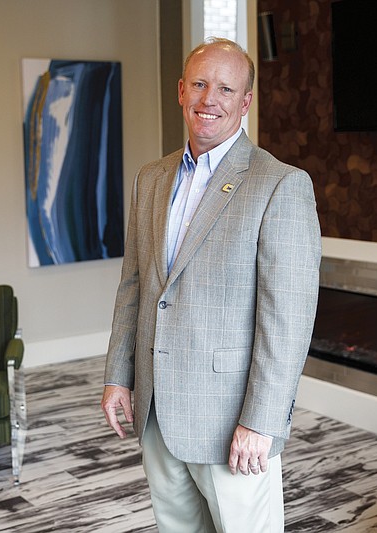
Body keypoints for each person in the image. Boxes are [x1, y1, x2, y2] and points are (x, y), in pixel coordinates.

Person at [101, 37, 321, 532]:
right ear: (181, 91)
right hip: (157, 411)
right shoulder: (150, 178)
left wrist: (261, 422)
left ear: (245, 102)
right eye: (199, 84)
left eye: (225, 88)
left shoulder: (280, 185)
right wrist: (119, 373)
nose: (209, 99)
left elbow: (287, 320)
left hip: (231, 422)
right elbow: (134, 283)